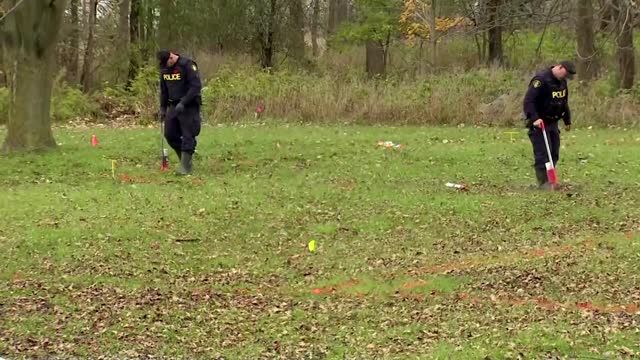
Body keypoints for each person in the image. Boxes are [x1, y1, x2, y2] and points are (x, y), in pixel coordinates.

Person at [522, 60, 576, 189]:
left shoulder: (562, 82)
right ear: (560, 67)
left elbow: (563, 102)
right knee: (543, 154)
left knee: (554, 153)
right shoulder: (540, 80)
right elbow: (529, 101)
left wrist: (567, 120)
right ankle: (543, 183)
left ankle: (552, 180)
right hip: (539, 123)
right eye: (565, 74)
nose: (566, 78)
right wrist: (535, 118)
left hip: (553, 123)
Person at [157, 49, 203, 175]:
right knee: (170, 134)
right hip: (173, 105)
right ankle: (184, 160)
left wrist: (184, 102)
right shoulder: (164, 69)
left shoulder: (187, 65)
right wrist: (162, 108)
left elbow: (196, 86)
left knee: (188, 135)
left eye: (168, 63)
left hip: (189, 105)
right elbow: (164, 90)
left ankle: (185, 167)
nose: (167, 67)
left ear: (172, 57)